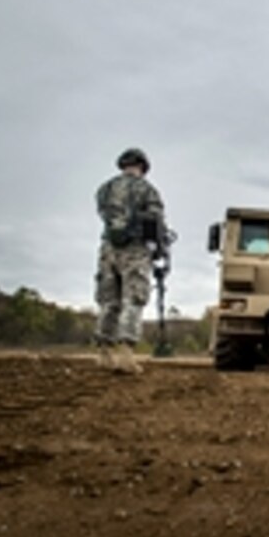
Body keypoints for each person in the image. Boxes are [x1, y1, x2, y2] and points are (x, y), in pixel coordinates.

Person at [94, 148, 167, 374]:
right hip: (135, 250)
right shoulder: (147, 190)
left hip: (108, 249)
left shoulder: (104, 189)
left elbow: (106, 216)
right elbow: (155, 222)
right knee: (133, 300)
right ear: (143, 167)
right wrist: (159, 248)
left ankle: (104, 355)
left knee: (108, 302)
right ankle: (126, 356)